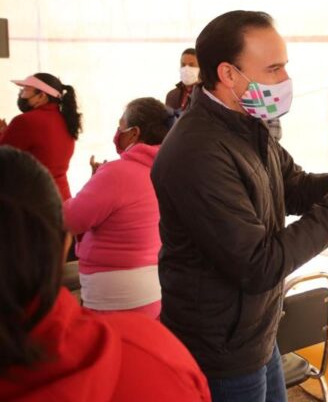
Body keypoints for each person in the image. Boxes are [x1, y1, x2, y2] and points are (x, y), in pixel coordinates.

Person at [151, 10, 328, 402]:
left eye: (284, 66)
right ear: (228, 74)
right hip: (219, 349)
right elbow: (259, 264)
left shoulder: (247, 124)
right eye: (273, 69)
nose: (285, 80)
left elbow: (291, 186)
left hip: (256, 332)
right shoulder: (197, 151)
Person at [0, 146, 211, 402]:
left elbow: (77, 215)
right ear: (63, 242)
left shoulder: (118, 173)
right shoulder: (156, 355)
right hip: (151, 294)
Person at [63, 97, 174, 319]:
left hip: (113, 298)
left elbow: (71, 219)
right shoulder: (169, 168)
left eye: (120, 126)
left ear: (134, 133)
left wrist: (91, 184)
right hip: (153, 290)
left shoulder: (117, 172)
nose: (117, 132)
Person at [0, 73, 82, 200]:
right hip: (61, 198)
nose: (21, 95)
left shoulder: (25, 121)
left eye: (25, 90)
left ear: (41, 96)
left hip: (33, 202)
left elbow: (4, 160)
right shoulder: (66, 120)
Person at [166, 48, 200, 113]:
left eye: (191, 65)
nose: (186, 69)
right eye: (183, 65)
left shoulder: (206, 94)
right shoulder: (172, 95)